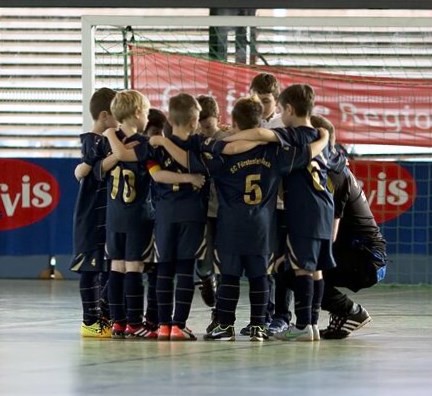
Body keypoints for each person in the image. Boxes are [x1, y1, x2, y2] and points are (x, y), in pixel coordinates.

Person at [151, 95, 330, 342]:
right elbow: (306, 154)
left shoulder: (221, 152)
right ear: (260, 124)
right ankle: (259, 324)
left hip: (231, 224)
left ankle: (225, 324)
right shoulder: (274, 152)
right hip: (263, 227)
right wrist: (324, 139)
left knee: (229, 277)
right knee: (260, 278)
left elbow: (191, 162)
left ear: (233, 122)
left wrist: (163, 142)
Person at [224, 84, 344, 341]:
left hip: (304, 209)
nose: (279, 114)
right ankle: (311, 324)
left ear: (289, 109)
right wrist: (325, 138)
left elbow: (261, 135)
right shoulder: (321, 139)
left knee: (301, 268)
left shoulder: (293, 135)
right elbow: (338, 163)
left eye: (280, 109)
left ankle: (302, 325)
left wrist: (227, 138)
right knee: (315, 269)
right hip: (325, 207)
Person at [102, 91, 205, 340]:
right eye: (146, 112)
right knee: (176, 270)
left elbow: (150, 171)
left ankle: (130, 323)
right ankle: (171, 323)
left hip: (122, 215)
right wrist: (190, 178)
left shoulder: (114, 142)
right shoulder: (191, 144)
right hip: (154, 215)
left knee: (124, 267)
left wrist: (107, 134)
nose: (148, 116)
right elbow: (191, 166)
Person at [310, 115, 388, 339]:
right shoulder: (332, 166)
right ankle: (336, 314)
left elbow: (330, 236)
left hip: (367, 259)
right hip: (359, 252)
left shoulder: (333, 175)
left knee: (296, 268)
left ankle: (349, 311)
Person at [70, 87, 118, 338]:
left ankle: (105, 317)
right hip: (91, 216)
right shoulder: (93, 140)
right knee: (91, 269)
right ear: (104, 116)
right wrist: (86, 167)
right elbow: (85, 169)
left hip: (109, 216)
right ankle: (90, 321)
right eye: (116, 116)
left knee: (112, 268)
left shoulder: (110, 141)